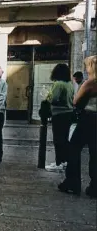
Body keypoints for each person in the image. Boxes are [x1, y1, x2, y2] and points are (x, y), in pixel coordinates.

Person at [59, 55, 97, 198]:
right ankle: (94, 186)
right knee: (95, 153)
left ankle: (72, 182)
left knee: (73, 149)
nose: (86, 69)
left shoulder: (90, 83)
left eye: (88, 66)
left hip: (89, 118)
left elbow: (76, 101)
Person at [45, 64, 74, 172]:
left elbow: (53, 99)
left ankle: (59, 163)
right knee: (65, 139)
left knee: (58, 140)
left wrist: (47, 96)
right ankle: (64, 162)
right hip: (69, 113)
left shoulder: (58, 84)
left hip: (59, 114)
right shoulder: (69, 84)